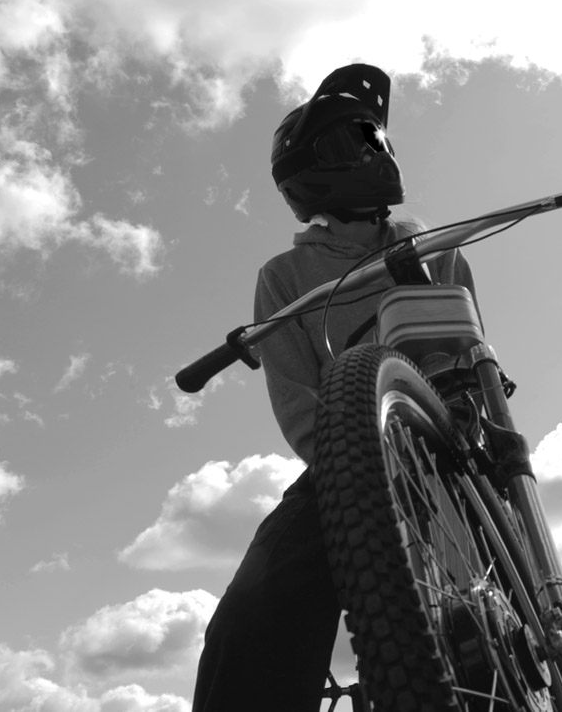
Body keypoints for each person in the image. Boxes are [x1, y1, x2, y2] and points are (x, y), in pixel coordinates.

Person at [191, 63, 479, 711]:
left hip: (453, 453)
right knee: (253, 614)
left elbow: (473, 353)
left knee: (478, 631)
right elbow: (298, 401)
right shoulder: (286, 277)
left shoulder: (437, 250)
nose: (375, 151)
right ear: (311, 174)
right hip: (345, 465)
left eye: (374, 137)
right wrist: (356, 479)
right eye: (356, 141)